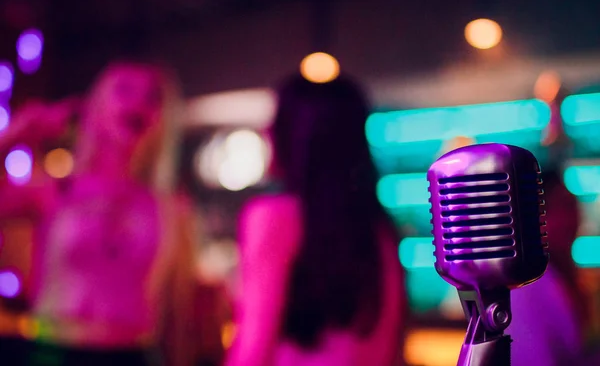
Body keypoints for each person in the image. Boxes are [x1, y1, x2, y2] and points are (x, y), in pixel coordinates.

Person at [0, 61, 198, 366]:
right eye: (125, 91)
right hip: (55, 351)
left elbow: (179, 312)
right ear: (97, 104)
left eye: (152, 97)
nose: (138, 104)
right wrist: (16, 134)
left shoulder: (170, 205)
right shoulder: (58, 189)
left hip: (133, 355)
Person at [225, 73, 408, 366]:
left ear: (289, 135)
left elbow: (254, 344)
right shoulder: (380, 228)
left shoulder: (273, 216)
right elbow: (390, 346)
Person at [507, 170, 588, 366]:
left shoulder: (557, 275)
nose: (570, 220)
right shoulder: (530, 283)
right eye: (560, 209)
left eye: (572, 208)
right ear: (536, 221)